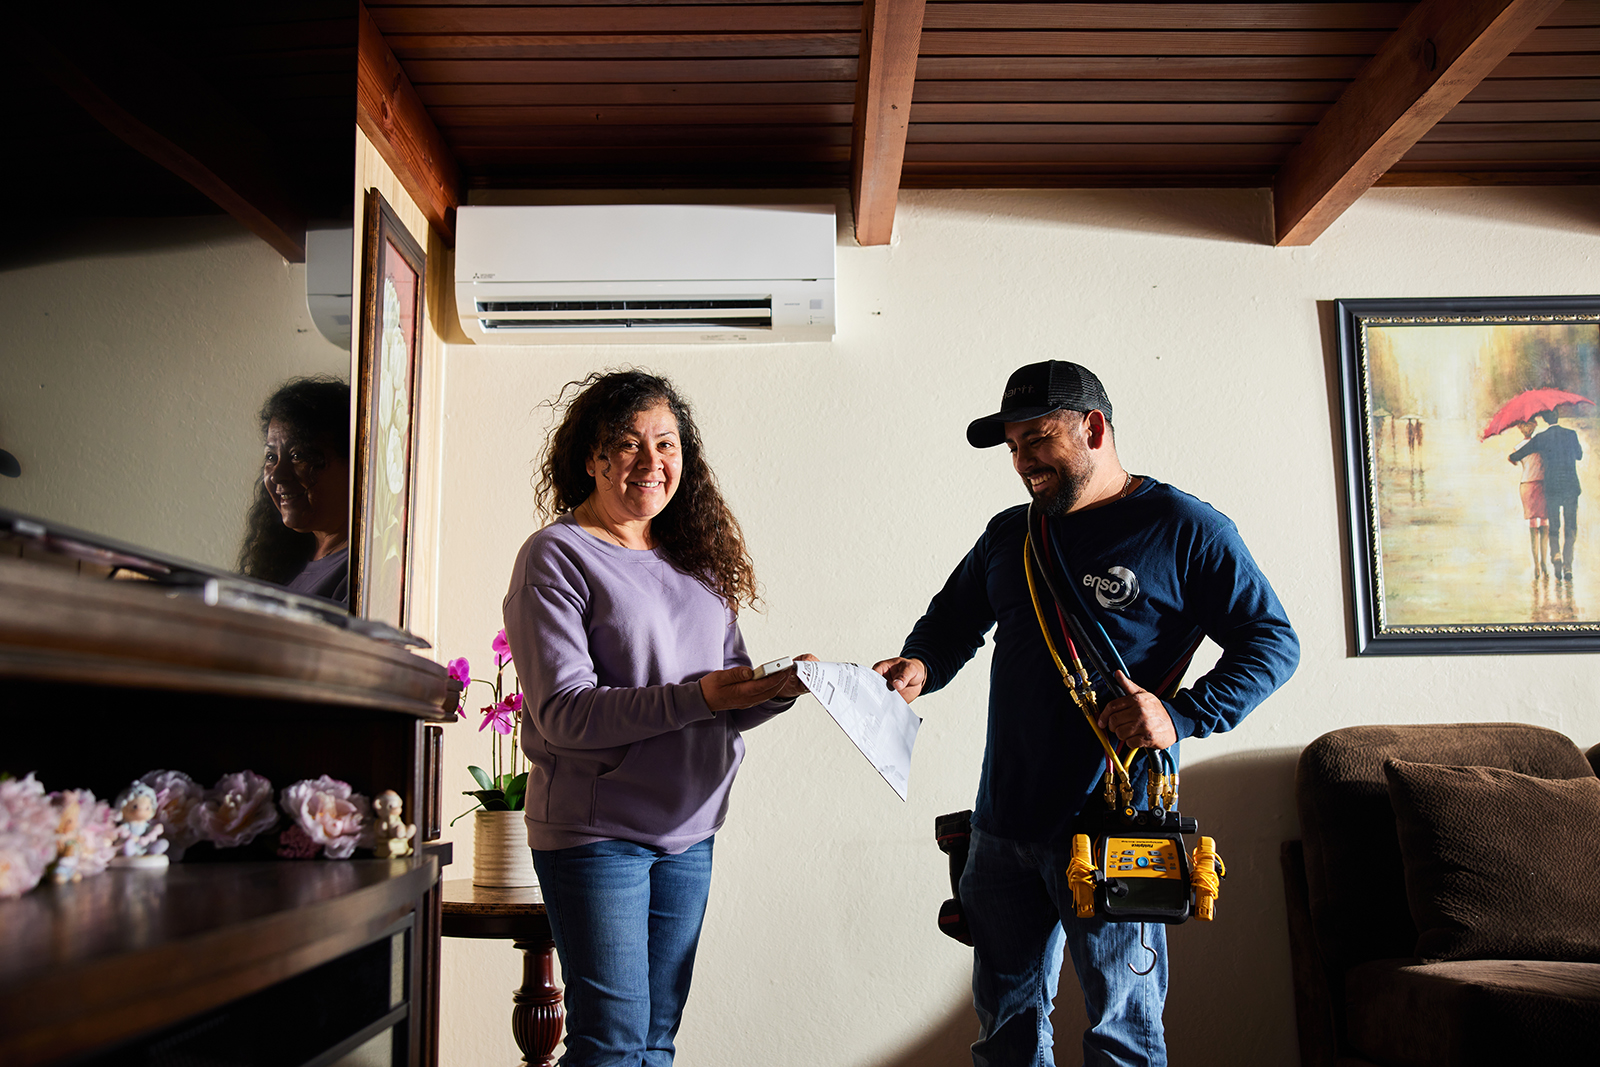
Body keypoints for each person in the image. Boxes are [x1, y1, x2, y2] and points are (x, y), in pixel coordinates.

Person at [872, 361, 1299, 1067]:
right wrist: (919, 664)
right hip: (1000, 828)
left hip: (1116, 825)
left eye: (1036, 439)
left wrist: (1182, 715)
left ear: (1093, 427)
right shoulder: (1010, 535)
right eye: (1012, 447)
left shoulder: (1183, 526)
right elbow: (952, 623)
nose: (1022, 462)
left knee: (1122, 1035)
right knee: (1006, 1030)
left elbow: (1272, 641)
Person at [502, 369, 808, 1067]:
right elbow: (564, 714)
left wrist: (781, 688)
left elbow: (720, 702)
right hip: (597, 835)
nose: (651, 461)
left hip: (690, 834)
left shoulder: (696, 562)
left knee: (655, 1045)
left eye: (666, 444)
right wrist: (704, 694)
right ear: (591, 456)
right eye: (628, 443)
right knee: (609, 1046)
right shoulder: (557, 556)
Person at [238, 377, 351, 605]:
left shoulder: (363, 575)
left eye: (299, 455)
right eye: (271, 457)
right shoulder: (285, 562)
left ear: (355, 462)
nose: (277, 475)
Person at [1510, 409, 1583, 581]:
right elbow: (1579, 456)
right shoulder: (1571, 434)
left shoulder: (1541, 438)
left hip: (1552, 488)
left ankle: (1555, 555)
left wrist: (1513, 457)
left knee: (1554, 525)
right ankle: (1567, 567)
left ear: (1544, 419)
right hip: (1571, 487)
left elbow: (1520, 453)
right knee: (1571, 527)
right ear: (1558, 416)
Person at [1512, 420, 1550, 578]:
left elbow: (1515, 461)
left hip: (1527, 484)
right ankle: (1542, 562)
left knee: (1534, 524)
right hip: (1541, 483)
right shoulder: (1542, 444)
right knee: (1543, 523)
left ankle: (1537, 564)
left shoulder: (1518, 447)